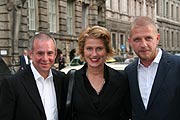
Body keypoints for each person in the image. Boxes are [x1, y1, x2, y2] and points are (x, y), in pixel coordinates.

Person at [62, 26, 132, 120]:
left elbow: (128, 114)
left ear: (107, 51)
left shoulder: (121, 79)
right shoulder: (71, 79)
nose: (94, 54)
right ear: (83, 51)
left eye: (99, 48)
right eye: (89, 49)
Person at [0, 32, 66, 120]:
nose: (45, 59)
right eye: (40, 53)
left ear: (55, 54)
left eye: (49, 53)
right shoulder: (12, 84)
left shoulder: (62, 79)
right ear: (31, 54)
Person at [125, 16, 180, 120]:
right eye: (137, 39)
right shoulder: (129, 72)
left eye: (148, 38)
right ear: (130, 42)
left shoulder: (177, 66)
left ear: (157, 38)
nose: (143, 44)